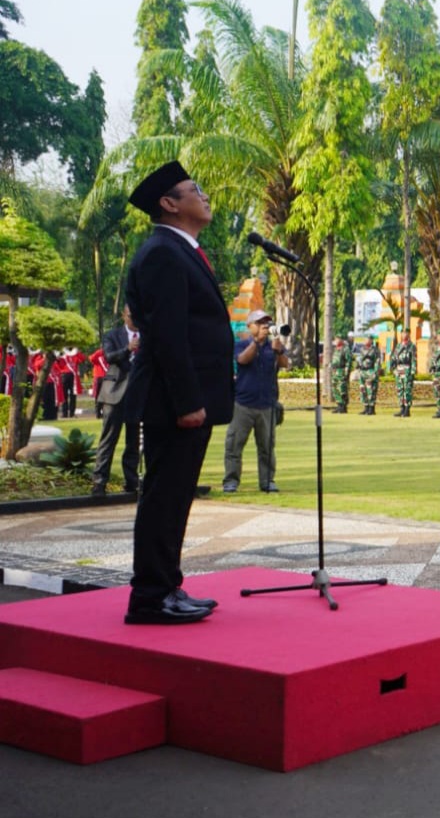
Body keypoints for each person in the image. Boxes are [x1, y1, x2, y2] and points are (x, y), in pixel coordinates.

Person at [121, 161, 230, 625]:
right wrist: (188, 402)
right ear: (169, 204)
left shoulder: (180, 249)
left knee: (173, 495)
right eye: (194, 189)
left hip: (185, 398)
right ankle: (150, 596)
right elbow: (167, 335)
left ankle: (166, 587)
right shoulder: (164, 252)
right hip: (175, 401)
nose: (203, 195)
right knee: (165, 497)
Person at [222, 309, 288, 494]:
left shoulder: (273, 346)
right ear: (250, 326)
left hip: (267, 404)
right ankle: (231, 480)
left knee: (267, 447)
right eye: (259, 323)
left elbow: (285, 364)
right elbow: (243, 360)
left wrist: (279, 350)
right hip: (243, 404)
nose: (264, 327)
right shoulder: (242, 344)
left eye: (266, 323)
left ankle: (267, 481)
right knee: (234, 444)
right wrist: (257, 343)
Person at [90, 305, 141, 497]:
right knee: (108, 438)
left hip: (137, 394)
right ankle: (99, 482)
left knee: (133, 440)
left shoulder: (147, 334)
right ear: (123, 316)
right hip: (114, 393)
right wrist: (128, 349)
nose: (134, 319)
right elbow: (109, 357)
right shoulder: (113, 335)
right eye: (131, 316)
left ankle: (132, 482)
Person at [390, 328, 416, 418]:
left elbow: (413, 360)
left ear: (409, 335)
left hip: (407, 368)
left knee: (407, 390)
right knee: (400, 390)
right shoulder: (398, 346)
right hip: (399, 369)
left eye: (406, 333)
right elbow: (393, 358)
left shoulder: (411, 346)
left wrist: (413, 371)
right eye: (403, 333)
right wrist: (393, 368)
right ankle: (401, 407)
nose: (404, 335)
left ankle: (407, 409)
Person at [355, 334, 382, 415]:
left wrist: (375, 372)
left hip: (370, 371)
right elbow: (358, 360)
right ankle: (366, 407)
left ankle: (371, 408)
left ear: (371, 340)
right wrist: (358, 369)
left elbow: (377, 362)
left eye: (367, 339)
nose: (365, 340)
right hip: (362, 372)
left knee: (371, 390)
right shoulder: (361, 349)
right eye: (365, 339)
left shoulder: (375, 350)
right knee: (363, 390)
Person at [328, 337, 352, 414]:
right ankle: (338, 405)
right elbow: (334, 360)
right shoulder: (336, 349)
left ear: (341, 340)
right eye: (335, 339)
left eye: (338, 339)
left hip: (341, 371)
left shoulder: (346, 349)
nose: (336, 340)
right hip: (335, 372)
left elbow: (348, 362)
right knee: (335, 389)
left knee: (342, 390)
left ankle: (343, 407)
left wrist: (346, 372)